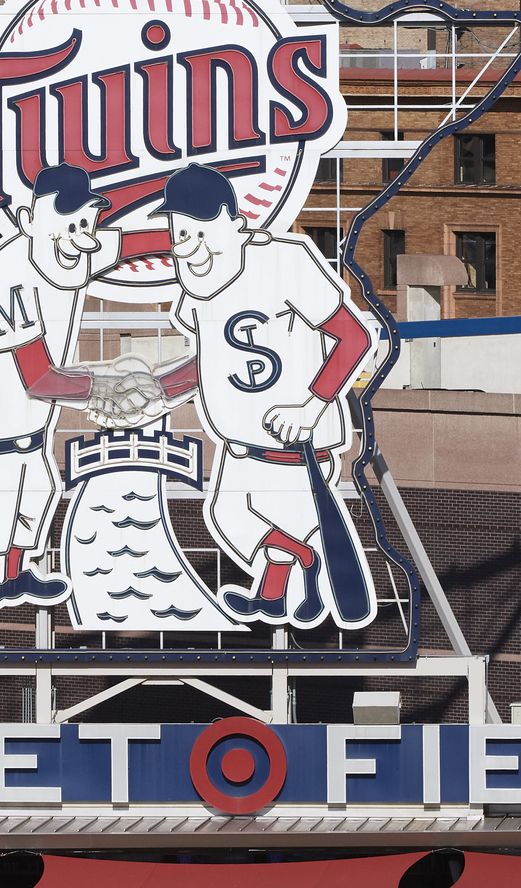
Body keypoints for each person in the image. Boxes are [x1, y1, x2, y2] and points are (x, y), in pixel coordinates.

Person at [148, 163, 375, 628]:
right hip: (239, 444)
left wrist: (312, 406)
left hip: (293, 447)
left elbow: (353, 337)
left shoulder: (284, 261)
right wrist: (157, 391)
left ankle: (301, 569)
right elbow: (211, 363)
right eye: (180, 234)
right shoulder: (200, 284)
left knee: (264, 519)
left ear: (235, 224)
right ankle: (285, 585)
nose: (189, 247)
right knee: (230, 516)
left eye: (199, 232)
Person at [0, 163, 139, 611]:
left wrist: (219, 240)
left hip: (20, 426)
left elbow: (131, 243)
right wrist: (106, 388)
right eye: (69, 222)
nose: (82, 235)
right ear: (29, 221)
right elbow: (38, 378)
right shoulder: (6, 277)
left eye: (86, 223)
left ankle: (14, 577)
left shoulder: (68, 245)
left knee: (34, 497)